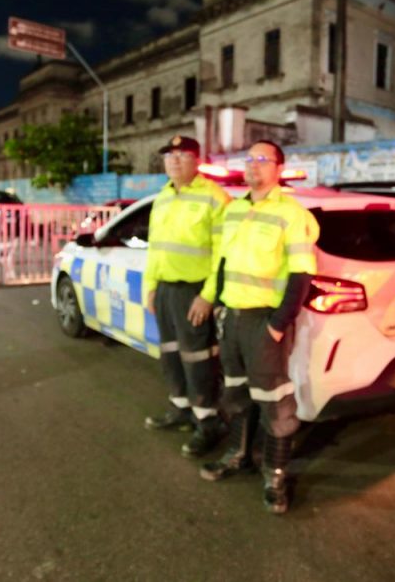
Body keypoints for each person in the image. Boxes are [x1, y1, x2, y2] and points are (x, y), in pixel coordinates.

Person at [199, 139, 319, 515]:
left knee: (274, 399)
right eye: (249, 159)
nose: (253, 165)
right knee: (236, 392)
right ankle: (238, 455)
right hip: (233, 318)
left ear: (278, 169)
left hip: (263, 322)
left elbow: (301, 274)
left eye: (262, 159)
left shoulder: (291, 214)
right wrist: (218, 304)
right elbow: (223, 262)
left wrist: (278, 325)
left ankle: (275, 474)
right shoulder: (235, 210)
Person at [142, 135, 232, 457]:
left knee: (198, 360)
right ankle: (180, 408)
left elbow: (223, 254)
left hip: (194, 292)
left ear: (198, 161)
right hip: (165, 290)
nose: (175, 160)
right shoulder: (163, 197)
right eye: (170, 155)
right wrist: (150, 286)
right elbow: (155, 248)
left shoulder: (214, 198)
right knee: (170, 354)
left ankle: (208, 422)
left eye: (182, 155)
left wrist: (208, 296)